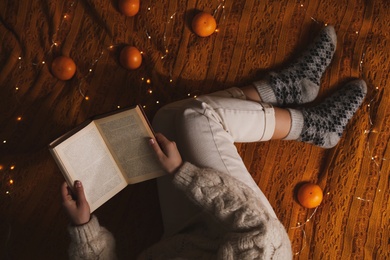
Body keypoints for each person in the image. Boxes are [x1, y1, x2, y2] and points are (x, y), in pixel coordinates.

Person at [61, 25, 367, 259]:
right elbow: (260, 231)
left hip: (185, 242)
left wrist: (85, 228)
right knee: (198, 118)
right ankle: (314, 125)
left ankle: (286, 89)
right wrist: (183, 173)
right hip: (253, 237)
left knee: (167, 120)